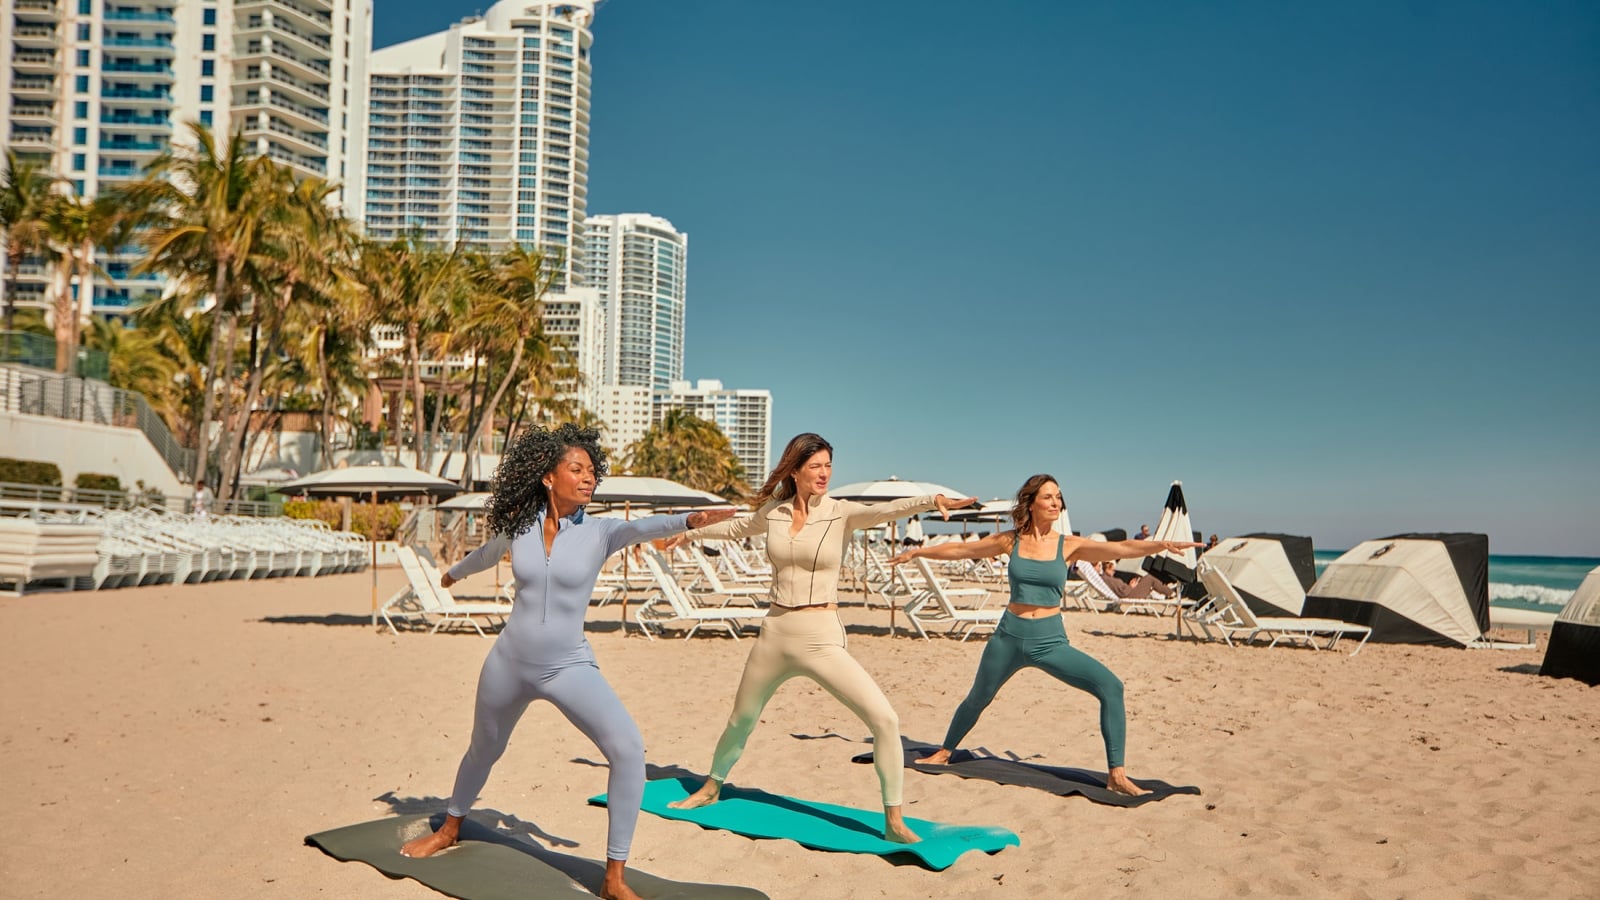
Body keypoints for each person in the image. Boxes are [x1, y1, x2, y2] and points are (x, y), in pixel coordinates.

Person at [397, 424, 735, 900]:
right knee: (483, 751)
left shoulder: (601, 531)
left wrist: (690, 520)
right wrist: (451, 574)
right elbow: (487, 554)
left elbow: (644, 527)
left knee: (627, 750)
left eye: (592, 472)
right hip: (508, 663)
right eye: (576, 470)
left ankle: (614, 878)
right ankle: (450, 828)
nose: (587, 478)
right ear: (547, 478)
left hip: (567, 666)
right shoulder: (519, 528)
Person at [662, 433, 975, 842]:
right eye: (816, 466)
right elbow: (737, 528)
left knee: (885, 719)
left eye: (829, 465)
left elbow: (888, 511)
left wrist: (930, 500)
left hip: (821, 638)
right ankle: (710, 787)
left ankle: (894, 820)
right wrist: (690, 534)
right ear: (795, 471)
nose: (825, 473)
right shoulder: (773, 513)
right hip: (775, 633)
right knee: (740, 720)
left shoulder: (842, 514)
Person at [888, 474, 1200, 797]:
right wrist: (918, 553)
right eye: (1049, 497)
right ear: (1032, 502)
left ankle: (1116, 774)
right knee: (977, 698)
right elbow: (963, 551)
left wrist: (1161, 544)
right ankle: (945, 751)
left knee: (1111, 686)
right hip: (1008, 637)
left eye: (1058, 497)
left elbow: (1119, 547)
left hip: (1050, 642)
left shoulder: (1069, 544)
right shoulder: (1010, 541)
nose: (1056, 503)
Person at [1097, 559, 1179, 600]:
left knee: (1145, 578)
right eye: (1113, 569)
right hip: (1130, 595)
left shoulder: (1106, 578)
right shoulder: (1110, 580)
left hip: (1128, 593)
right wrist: (1131, 586)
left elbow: (1120, 590)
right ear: (1108, 568)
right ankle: (1171, 593)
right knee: (1150, 578)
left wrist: (1130, 585)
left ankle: (1167, 591)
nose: (1114, 571)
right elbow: (1123, 592)